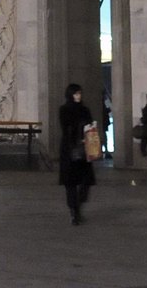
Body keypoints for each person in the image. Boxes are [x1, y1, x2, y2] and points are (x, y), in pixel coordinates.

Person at [57, 82, 96, 226]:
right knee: (72, 182)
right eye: (76, 93)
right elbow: (66, 127)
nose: (78, 96)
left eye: (79, 93)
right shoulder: (67, 109)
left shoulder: (83, 109)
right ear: (70, 94)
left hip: (80, 147)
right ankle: (74, 210)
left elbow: (89, 125)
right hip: (71, 148)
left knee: (83, 181)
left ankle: (76, 207)